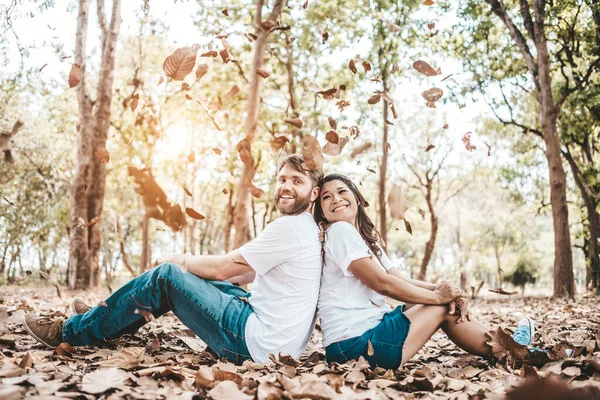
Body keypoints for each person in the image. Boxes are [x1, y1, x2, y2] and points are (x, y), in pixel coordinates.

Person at [23, 154, 324, 365]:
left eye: (296, 181)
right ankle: (108, 315)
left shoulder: (291, 228)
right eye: (282, 179)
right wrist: (195, 278)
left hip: (252, 344)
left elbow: (222, 269)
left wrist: (178, 259)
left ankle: (69, 332)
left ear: (313, 194)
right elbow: (240, 276)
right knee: (190, 279)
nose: (285, 186)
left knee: (167, 275)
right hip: (274, 344)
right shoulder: (306, 229)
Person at [313, 173, 539, 369]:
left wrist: (448, 291)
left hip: (364, 339)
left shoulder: (362, 238)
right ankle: (518, 353)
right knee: (440, 306)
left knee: (444, 303)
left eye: (342, 191)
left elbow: (398, 279)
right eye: (326, 197)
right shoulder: (339, 231)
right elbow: (382, 284)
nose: (336, 199)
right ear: (322, 210)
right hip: (354, 348)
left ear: (357, 198)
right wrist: (437, 297)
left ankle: (510, 348)